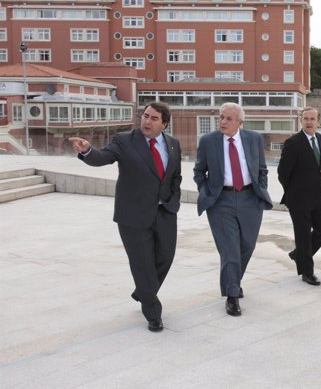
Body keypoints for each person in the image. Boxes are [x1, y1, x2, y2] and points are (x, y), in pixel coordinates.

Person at [68, 102, 182, 332]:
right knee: (142, 265)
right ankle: (152, 312)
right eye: (145, 116)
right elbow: (102, 157)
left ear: (164, 124)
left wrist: (173, 200)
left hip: (164, 212)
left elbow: (175, 176)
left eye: (153, 118)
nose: (147, 121)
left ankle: (143, 291)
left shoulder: (173, 144)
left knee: (165, 257)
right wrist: (87, 151)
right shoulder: (124, 140)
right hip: (133, 215)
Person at [193, 102, 273, 317]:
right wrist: (206, 192)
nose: (223, 122)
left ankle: (233, 281)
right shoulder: (208, 141)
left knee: (247, 245)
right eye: (221, 117)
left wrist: (261, 188)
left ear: (240, 122)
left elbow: (262, 169)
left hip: (250, 198)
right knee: (229, 249)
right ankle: (232, 295)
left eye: (228, 118)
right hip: (221, 201)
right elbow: (199, 171)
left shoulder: (254, 138)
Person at [278, 107, 321, 286]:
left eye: (312, 119)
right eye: (305, 118)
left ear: (318, 122)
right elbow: (282, 172)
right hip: (298, 198)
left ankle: (299, 255)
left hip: (319, 196)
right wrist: (293, 193)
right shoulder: (293, 142)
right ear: (300, 121)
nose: (309, 122)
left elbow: (319, 168)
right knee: (302, 235)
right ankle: (307, 272)